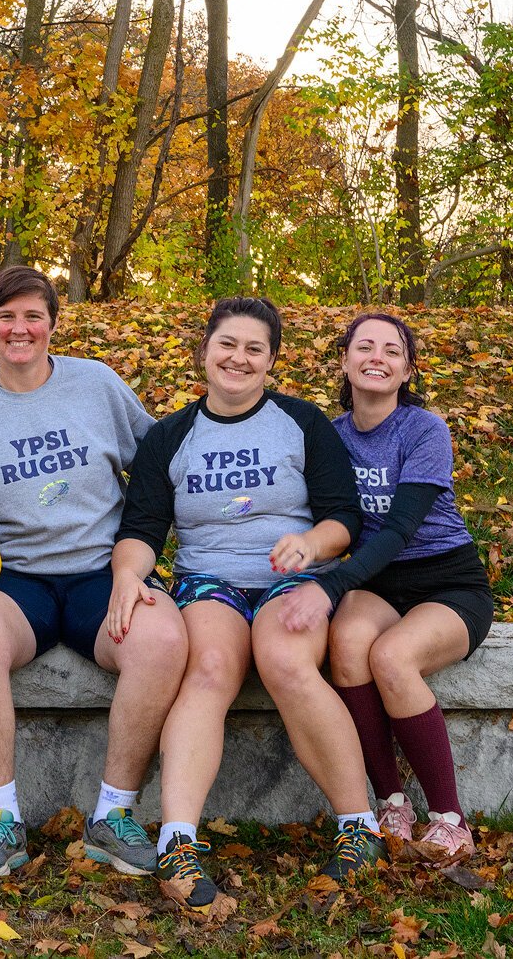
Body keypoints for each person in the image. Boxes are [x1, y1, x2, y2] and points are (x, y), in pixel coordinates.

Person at [0, 265, 187, 879]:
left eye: (32, 316)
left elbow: (155, 459)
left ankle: (113, 817)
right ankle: (1, 818)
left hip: (102, 572)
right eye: (6, 316)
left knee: (164, 638)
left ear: (52, 324)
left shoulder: (96, 384)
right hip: (12, 580)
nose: (20, 329)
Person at [115, 297, 373, 910]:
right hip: (210, 581)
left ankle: (358, 828)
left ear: (271, 361)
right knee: (207, 670)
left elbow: (345, 518)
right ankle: (177, 845)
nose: (239, 358)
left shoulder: (302, 422)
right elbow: (143, 530)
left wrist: (311, 543)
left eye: (255, 349)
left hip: (294, 579)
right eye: (227, 344)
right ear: (204, 351)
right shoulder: (170, 436)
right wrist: (128, 576)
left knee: (285, 662)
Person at [319, 312, 495, 864]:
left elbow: (398, 529)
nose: (377, 357)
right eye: (364, 346)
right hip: (378, 580)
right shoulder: (330, 436)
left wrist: (333, 585)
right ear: (344, 360)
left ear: (407, 370)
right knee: (346, 647)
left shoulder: (424, 430)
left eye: (392, 350)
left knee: (392, 657)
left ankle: (450, 819)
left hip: (447, 578)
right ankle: (391, 802)